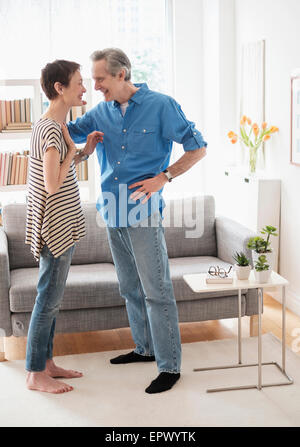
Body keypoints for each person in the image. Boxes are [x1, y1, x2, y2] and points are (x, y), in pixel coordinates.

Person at [67, 48, 207, 394]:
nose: (95, 85)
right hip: (111, 211)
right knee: (130, 288)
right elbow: (67, 131)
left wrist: (165, 177)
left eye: (99, 78)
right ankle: (143, 349)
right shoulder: (101, 113)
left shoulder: (161, 105)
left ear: (121, 75)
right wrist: (55, 102)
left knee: (156, 291)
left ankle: (170, 366)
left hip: (143, 213)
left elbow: (197, 147)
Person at [25, 60, 103, 394]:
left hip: (59, 225)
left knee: (52, 299)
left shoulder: (53, 124)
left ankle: (47, 363)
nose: (84, 88)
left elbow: (60, 165)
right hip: (54, 228)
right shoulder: (53, 130)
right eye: (79, 82)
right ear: (60, 88)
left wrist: (84, 151)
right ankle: (34, 373)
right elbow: (53, 183)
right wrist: (73, 150)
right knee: (48, 299)